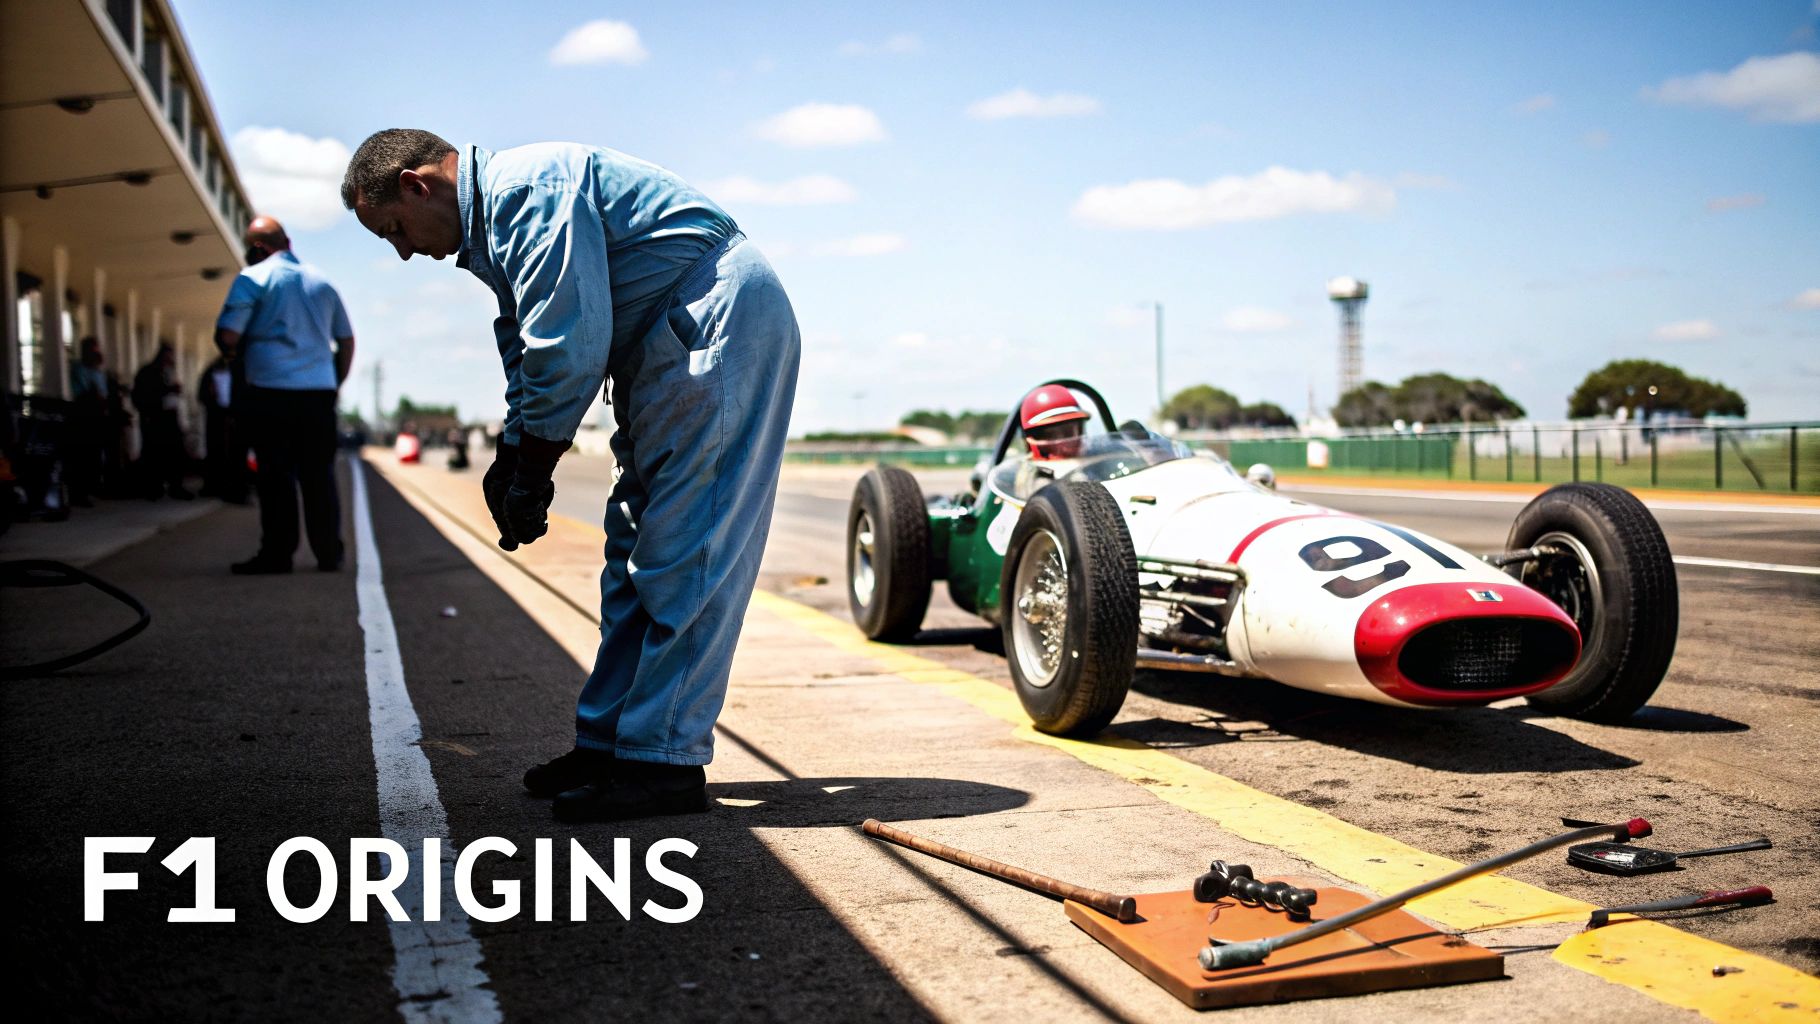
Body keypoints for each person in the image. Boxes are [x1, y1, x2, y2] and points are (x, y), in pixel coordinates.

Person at [341, 129, 800, 822]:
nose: (404, 251)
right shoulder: (496, 223)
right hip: (666, 338)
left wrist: (534, 464)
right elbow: (526, 345)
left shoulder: (531, 190)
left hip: (716, 325)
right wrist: (513, 449)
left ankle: (664, 762)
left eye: (395, 231)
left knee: (687, 552)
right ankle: (612, 743)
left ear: (416, 184)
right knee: (632, 558)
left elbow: (566, 345)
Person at [214, 215, 354, 574]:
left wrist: (233, 353)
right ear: (287, 241)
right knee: (318, 476)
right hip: (318, 395)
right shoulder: (323, 282)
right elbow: (346, 340)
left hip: (269, 393)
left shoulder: (253, 279)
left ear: (257, 248)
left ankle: (278, 554)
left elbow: (229, 336)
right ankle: (328, 553)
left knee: (275, 476)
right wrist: (333, 383)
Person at [130, 343, 193, 500]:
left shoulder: (169, 373)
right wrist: (167, 391)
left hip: (170, 418)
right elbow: (143, 396)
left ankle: (175, 486)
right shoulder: (147, 373)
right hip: (155, 420)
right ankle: (154, 488)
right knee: (154, 454)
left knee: (175, 453)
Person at [196, 353, 249, 503]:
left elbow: (244, 395)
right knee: (216, 452)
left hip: (236, 420)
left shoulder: (240, 371)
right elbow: (203, 395)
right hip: (217, 419)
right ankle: (217, 486)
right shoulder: (212, 371)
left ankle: (237, 489)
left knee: (237, 455)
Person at [66, 337, 108, 506]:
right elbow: (82, 392)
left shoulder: (98, 372)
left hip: (97, 418)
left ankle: (93, 487)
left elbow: (102, 394)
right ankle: (79, 493)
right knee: (82, 456)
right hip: (82, 417)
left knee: (95, 456)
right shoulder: (78, 369)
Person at [1020, 384, 1089, 461]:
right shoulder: (1028, 470)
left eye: (1069, 433)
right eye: (1051, 435)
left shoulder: (1093, 466)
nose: (1065, 448)